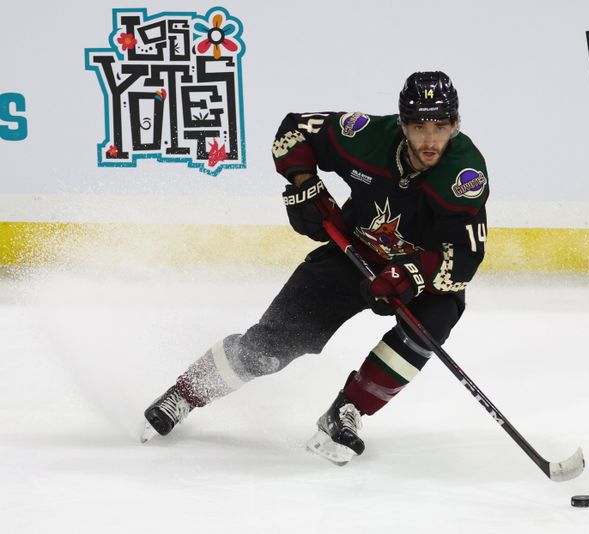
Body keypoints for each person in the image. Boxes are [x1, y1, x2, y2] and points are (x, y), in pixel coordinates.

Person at [141, 71, 489, 465]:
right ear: (401, 124)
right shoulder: (366, 136)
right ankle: (185, 393)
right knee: (266, 350)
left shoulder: (465, 176)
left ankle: (348, 411)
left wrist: (411, 274)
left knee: (433, 322)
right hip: (353, 254)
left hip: (419, 274)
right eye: (419, 126)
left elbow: (465, 257)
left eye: (440, 126)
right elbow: (295, 130)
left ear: (456, 125)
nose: (429, 140)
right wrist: (303, 182)